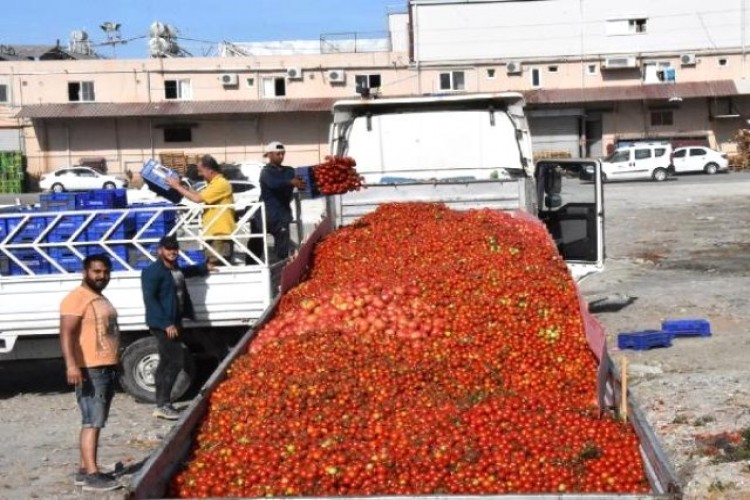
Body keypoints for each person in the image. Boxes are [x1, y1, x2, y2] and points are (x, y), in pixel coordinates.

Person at [59, 254, 122, 492]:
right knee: (92, 421)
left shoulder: (97, 297)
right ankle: (92, 476)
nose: (102, 276)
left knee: (96, 420)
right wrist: (72, 365)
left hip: (104, 366)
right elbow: (66, 333)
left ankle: (85, 468)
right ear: (85, 272)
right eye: (97, 272)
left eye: (105, 272)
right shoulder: (76, 298)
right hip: (90, 368)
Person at [141, 235, 214, 420]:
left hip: (175, 321)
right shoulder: (152, 272)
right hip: (164, 324)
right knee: (175, 362)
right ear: (160, 251)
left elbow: (184, 273)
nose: (172, 252)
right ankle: (163, 404)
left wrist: (203, 268)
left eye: (175, 248)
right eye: (168, 248)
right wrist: (166, 323)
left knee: (165, 363)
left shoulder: (174, 268)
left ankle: (162, 403)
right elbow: (150, 300)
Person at [166, 155, 235, 265]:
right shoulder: (213, 184)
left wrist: (177, 187)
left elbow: (197, 199)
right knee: (212, 266)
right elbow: (200, 195)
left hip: (220, 235)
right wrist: (183, 187)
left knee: (216, 267)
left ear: (209, 170)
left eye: (200, 171)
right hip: (214, 234)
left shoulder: (221, 183)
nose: (199, 174)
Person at [259, 141, 306, 260]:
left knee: (283, 243)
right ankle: (252, 263)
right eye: (278, 154)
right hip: (269, 214)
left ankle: (282, 266)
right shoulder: (266, 172)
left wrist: (302, 182)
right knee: (257, 241)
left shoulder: (289, 170)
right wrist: (290, 182)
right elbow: (274, 184)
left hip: (283, 213)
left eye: (282, 154)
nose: (281, 156)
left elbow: (296, 179)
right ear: (269, 155)